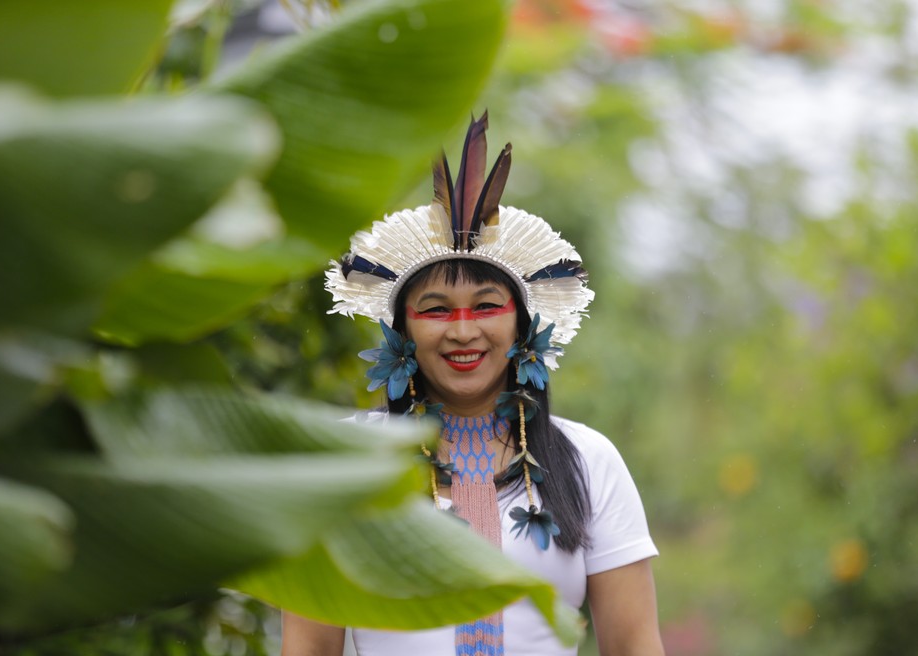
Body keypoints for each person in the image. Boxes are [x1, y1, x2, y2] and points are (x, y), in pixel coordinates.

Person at [283, 113, 664, 656]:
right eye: (436, 310)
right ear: (402, 329)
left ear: (522, 324)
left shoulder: (587, 461)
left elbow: (634, 647)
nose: (464, 331)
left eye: (486, 305)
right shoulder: (341, 460)